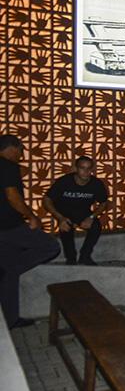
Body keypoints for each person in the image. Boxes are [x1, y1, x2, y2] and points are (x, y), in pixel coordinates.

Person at [0, 135, 60, 329]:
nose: (21, 154)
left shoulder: (9, 167)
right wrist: (32, 216)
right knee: (51, 246)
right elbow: (12, 195)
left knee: (9, 274)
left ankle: (10, 319)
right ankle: (8, 269)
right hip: (10, 226)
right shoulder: (8, 166)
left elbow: (20, 174)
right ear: (13, 147)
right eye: (21, 150)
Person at [43, 156, 110, 266]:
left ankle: (85, 256)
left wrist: (91, 217)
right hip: (64, 211)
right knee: (66, 228)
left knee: (96, 227)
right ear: (75, 169)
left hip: (83, 211)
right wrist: (60, 218)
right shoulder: (64, 181)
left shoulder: (96, 184)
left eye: (88, 168)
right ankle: (71, 258)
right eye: (82, 168)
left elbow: (104, 203)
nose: (86, 172)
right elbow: (47, 199)